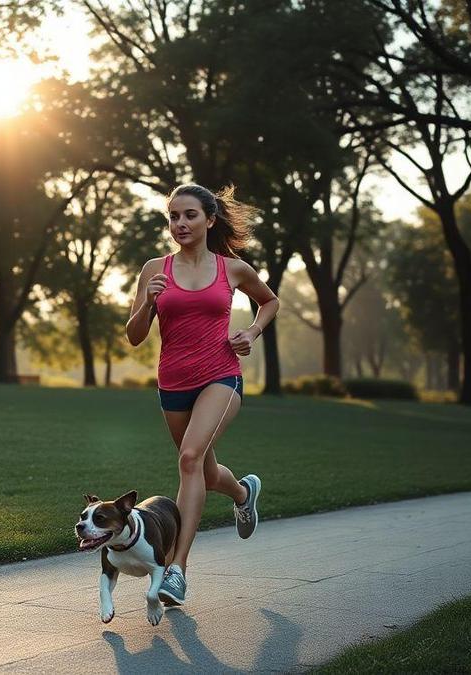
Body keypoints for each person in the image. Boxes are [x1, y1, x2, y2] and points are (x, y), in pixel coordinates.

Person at [125, 183, 281, 607]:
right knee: (206, 474)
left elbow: (269, 302)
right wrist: (147, 304)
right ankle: (243, 493)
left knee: (189, 459)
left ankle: (176, 571)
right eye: (173, 217)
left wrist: (250, 331)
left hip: (221, 376)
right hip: (173, 384)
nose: (180, 224)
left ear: (210, 220)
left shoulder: (232, 269)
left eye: (189, 215)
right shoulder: (155, 269)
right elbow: (135, 336)